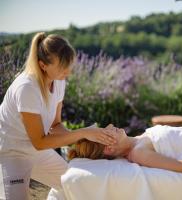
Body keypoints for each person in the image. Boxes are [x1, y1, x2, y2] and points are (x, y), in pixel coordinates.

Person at [0, 32, 117, 200]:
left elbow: (55, 125)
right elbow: (40, 141)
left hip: (37, 150)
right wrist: (82, 133)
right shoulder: (27, 88)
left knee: (74, 184)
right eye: (62, 67)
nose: (67, 72)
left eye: (69, 65)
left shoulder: (59, 81)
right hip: (11, 152)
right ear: (43, 65)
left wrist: (81, 140)